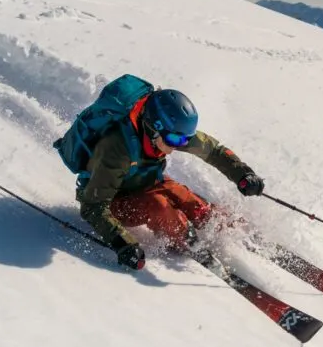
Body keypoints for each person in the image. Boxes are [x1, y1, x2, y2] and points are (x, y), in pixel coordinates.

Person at [74, 86, 265, 270]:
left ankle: (238, 233)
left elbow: (213, 150)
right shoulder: (117, 150)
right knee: (160, 207)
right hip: (115, 201)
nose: (178, 145)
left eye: (184, 140)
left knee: (191, 203)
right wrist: (123, 242)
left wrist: (243, 174)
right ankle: (190, 243)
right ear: (153, 127)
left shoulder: (169, 133)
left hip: (147, 182)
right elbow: (92, 206)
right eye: (175, 140)